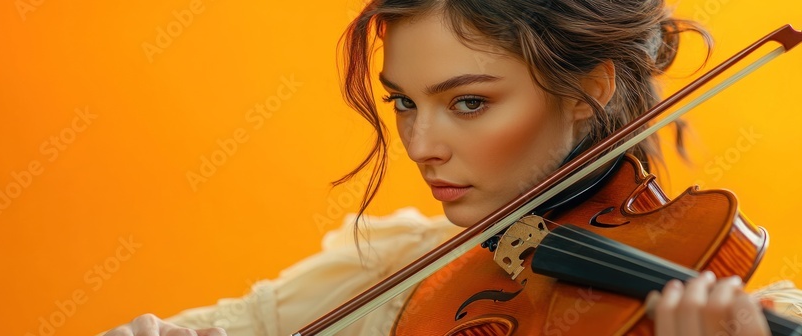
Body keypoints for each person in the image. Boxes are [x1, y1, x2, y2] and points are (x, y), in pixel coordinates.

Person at [101, 0, 802, 335]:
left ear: (590, 89)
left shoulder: (762, 321)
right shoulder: (392, 268)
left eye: (468, 101)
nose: (419, 143)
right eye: (404, 102)